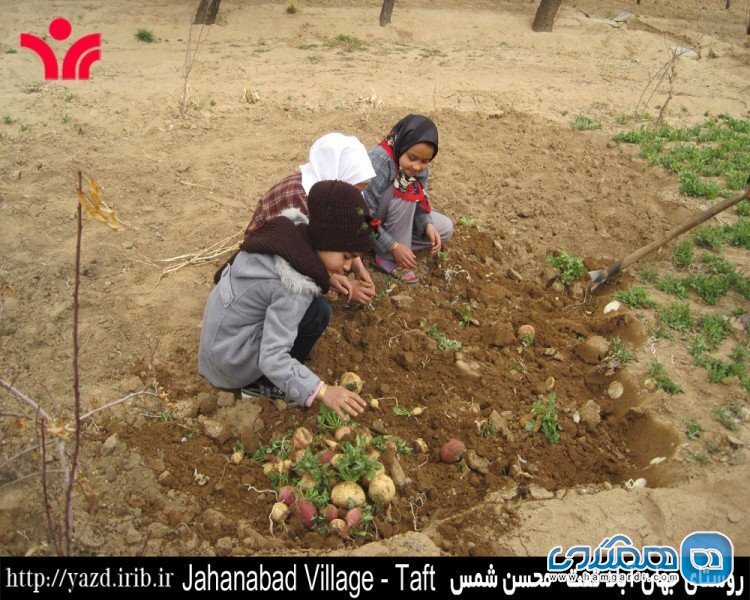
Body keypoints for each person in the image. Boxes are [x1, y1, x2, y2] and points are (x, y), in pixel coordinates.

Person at [199, 180, 373, 418]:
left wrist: (328, 277)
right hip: (230, 363)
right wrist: (322, 390)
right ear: (327, 239)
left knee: (315, 303)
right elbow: (272, 358)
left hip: (219, 338)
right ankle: (262, 386)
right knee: (319, 311)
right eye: (346, 256)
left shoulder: (286, 232)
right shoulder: (294, 286)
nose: (346, 266)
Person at [244, 132, 377, 304]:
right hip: (269, 261)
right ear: (337, 172)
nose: (358, 194)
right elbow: (298, 255)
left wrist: (357, 263)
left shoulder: (325, 190)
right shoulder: (300, 200)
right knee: (315, 306)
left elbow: (343, 236)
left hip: (296, 251)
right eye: (356, 187)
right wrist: (329, 281)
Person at [363, 114, 453, 283]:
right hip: (367, 220)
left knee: (444, 229)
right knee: (407, 193)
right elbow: (364, 215)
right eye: (412, 158)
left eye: (425, 161)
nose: (418, 166)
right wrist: (393, 246)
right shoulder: (380, 160)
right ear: (402, 144)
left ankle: (384, 242)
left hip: (394, 213)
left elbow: (421, 202)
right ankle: (387, 256)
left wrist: (428, 224)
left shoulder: (419, 168)